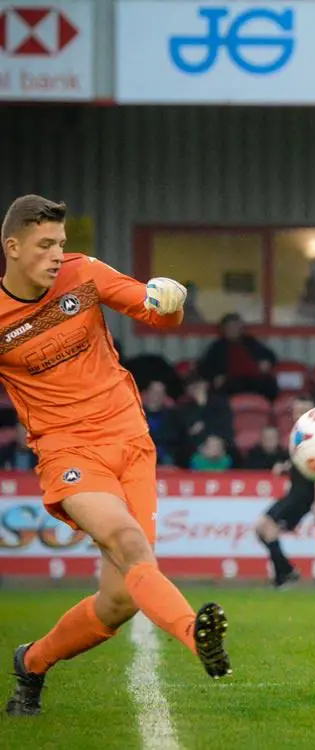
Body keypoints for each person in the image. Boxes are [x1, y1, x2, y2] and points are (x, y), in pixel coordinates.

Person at [1, 195, 231, 718]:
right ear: (12, 248)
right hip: (68, 452)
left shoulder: (82, 274)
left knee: (121, 600)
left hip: (131, 442)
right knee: (129, 544)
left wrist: (170, 300)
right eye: (44, 245)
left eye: (60, 243)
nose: (58, 254)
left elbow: (155, 311)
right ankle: (198, 636)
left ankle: (31, 662)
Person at [254, 394, 315, 589]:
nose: (301, 415)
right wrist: (286, 467)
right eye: (298, 411)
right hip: (294, 493)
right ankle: (285, 572)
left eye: (305, 411)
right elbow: (301, 464)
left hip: (303, 496)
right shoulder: (298, 436)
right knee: (261, 529)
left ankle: (283, 575)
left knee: (267, 526)